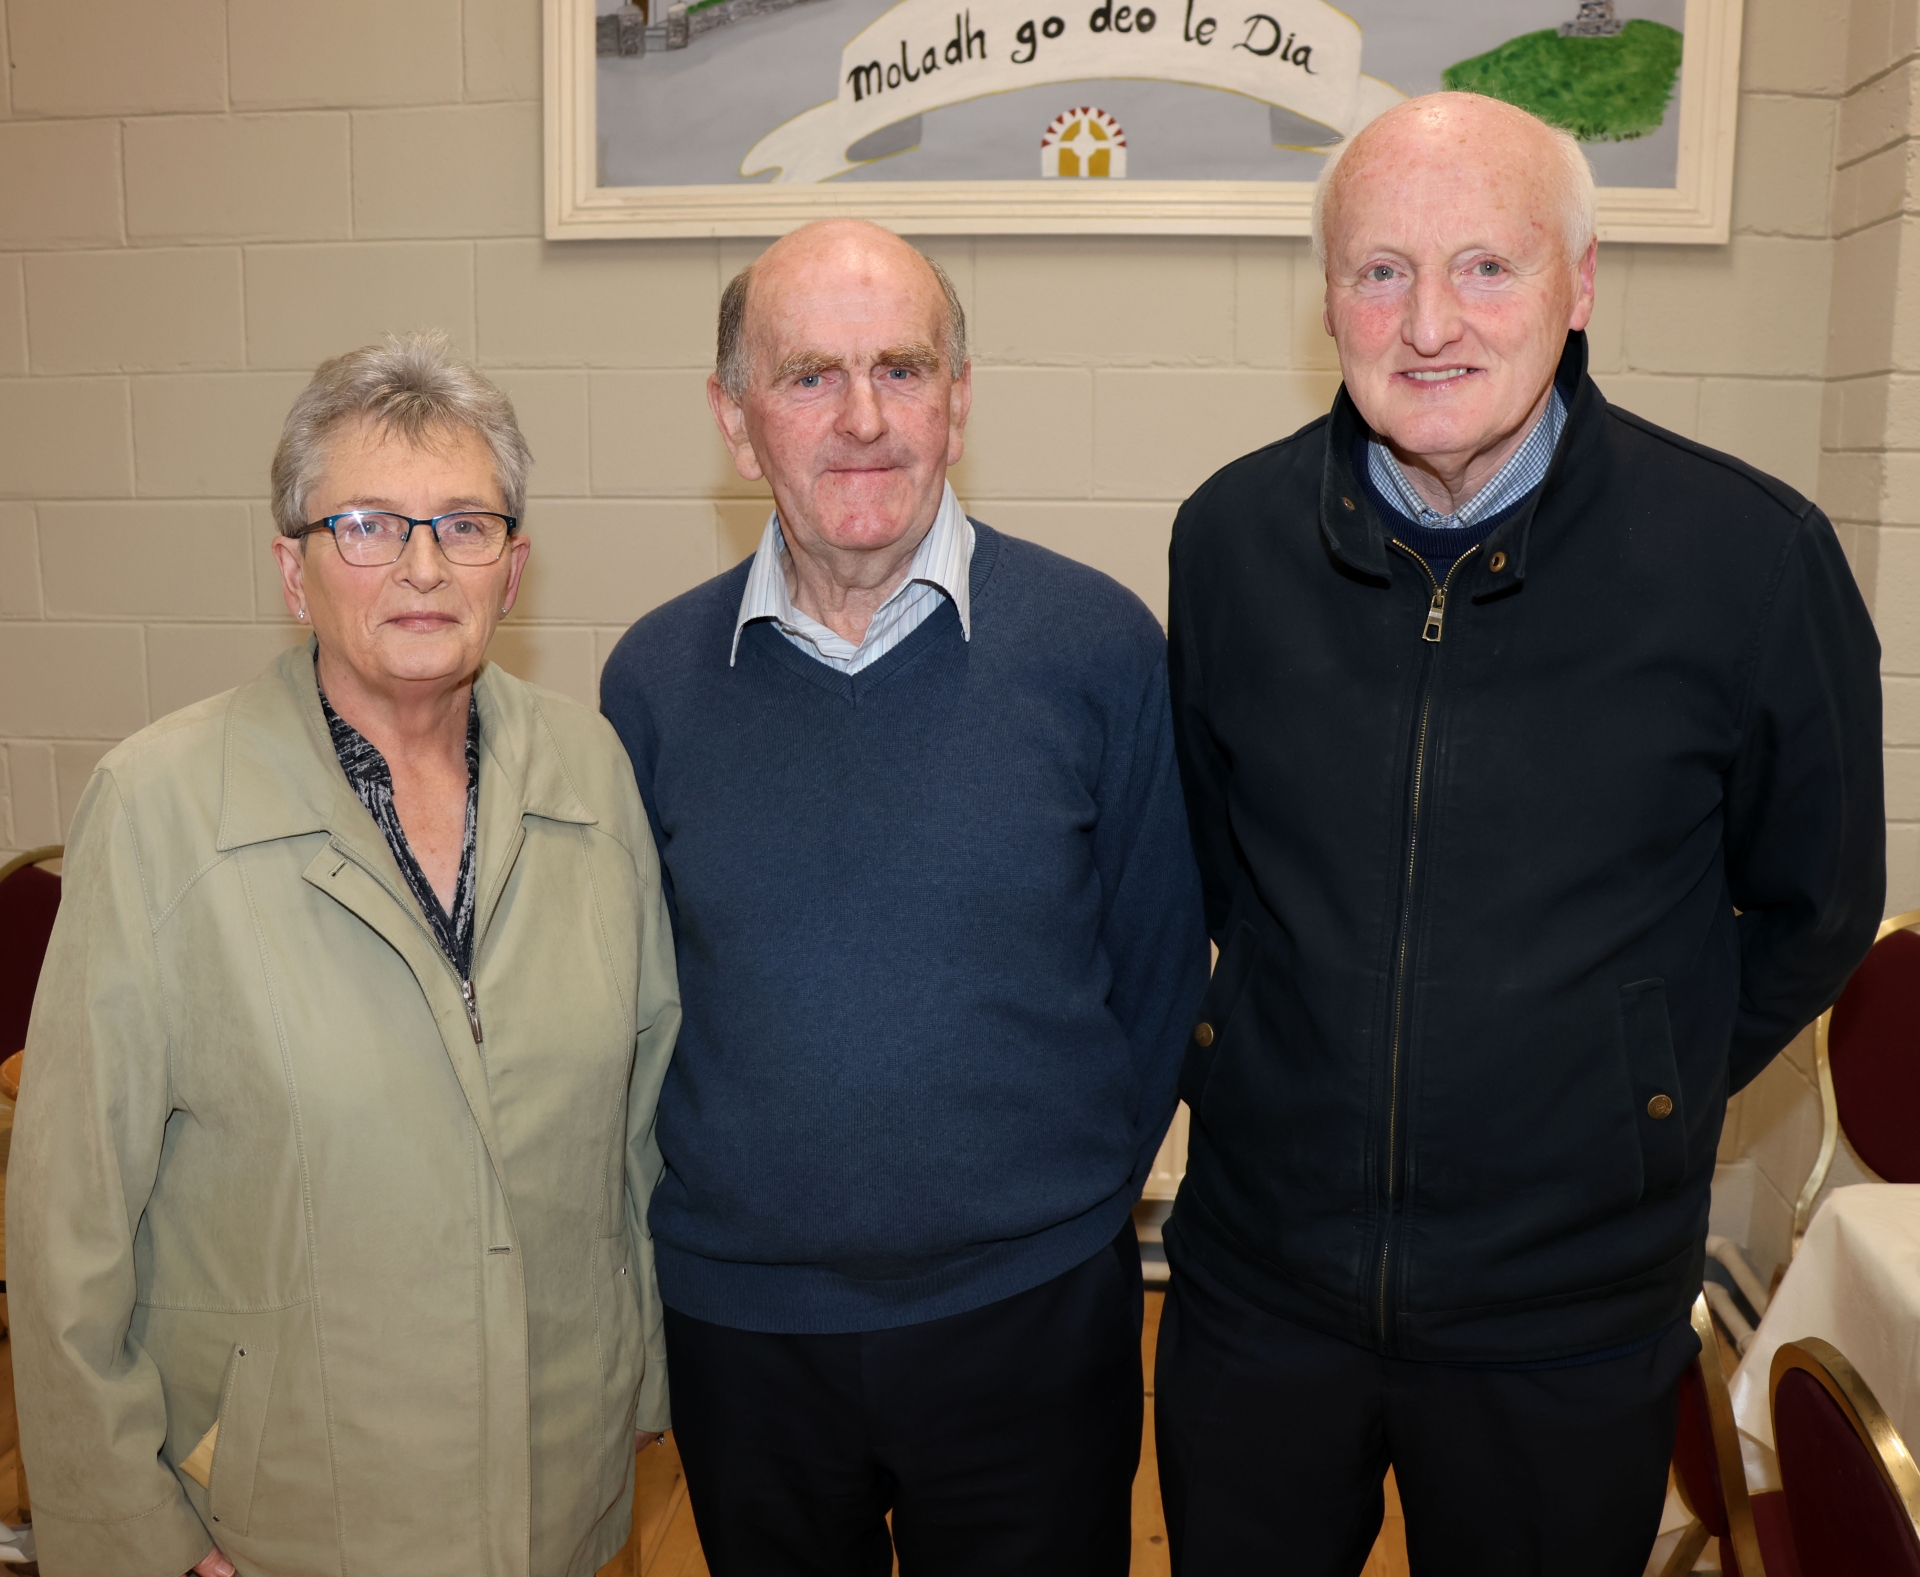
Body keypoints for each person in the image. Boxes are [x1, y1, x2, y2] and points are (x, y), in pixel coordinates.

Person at [1157, 93, 1884, 1576]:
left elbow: (1815, 905)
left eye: (1486, 265)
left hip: (1569, 1319)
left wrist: (1638, 1085)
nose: (1429, 323)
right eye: (1380, 271)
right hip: (1259, 1293)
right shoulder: (1229, 538)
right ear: (1329, 299)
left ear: (1581, 282)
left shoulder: (1750, 559)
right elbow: (1216, 867)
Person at [11, 334, 680, 1577]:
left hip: (559, 1481)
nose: (422, 565)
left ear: (513, 566)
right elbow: (67, 1219)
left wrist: (633, 1380)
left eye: (464, 525)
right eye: (366, 525)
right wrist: (135, 1536)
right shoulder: (161, 805)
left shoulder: (590, 775)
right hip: (285, 1513)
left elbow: (641, 1120)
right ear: (293, 568)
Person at [599, 218, 1208, 1576]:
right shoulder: (651, 683)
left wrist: (1054, 1211)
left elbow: (1162, 966)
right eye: (810, 375)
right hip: (746, 1330)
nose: (863, 418)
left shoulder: (1098, 647)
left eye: (902, 369)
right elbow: (637, 1000)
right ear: (735, 420)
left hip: (1033, 1317)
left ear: (958, 399)